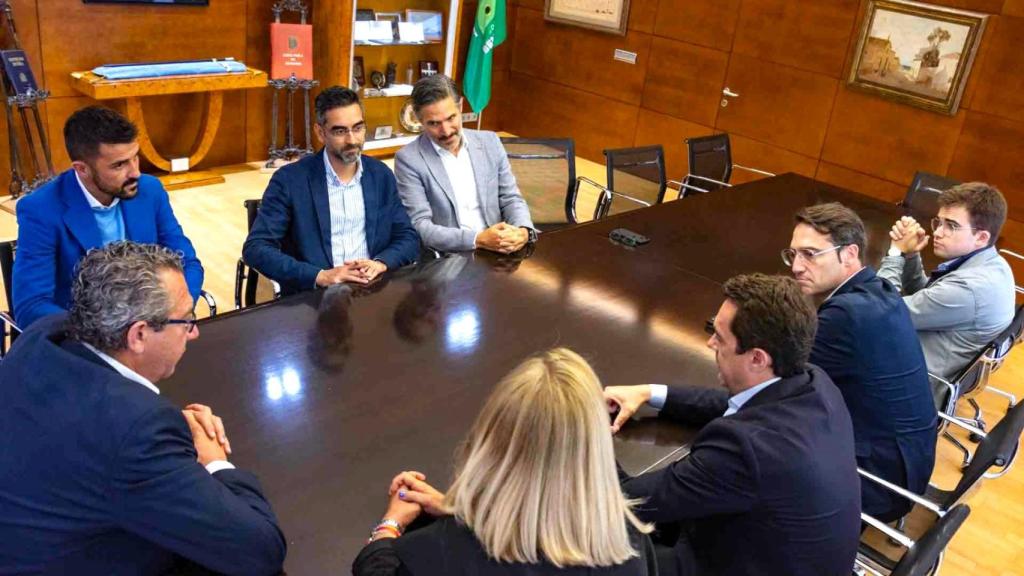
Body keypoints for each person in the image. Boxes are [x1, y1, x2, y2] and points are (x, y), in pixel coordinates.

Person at [0, 241, 286, 575]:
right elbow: (260, 550)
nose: (194, 333)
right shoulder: (136, 431)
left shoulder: (45, 336)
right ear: (138, 335)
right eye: (187, 321)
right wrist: (214, 461)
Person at [604, 274, 860, 576]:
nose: (710, 342)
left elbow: (627, 501)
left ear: (757, 359)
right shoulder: (813, 382)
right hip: (784, 554)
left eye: (720, 337)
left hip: (724, 560)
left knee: (585, 552)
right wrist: (649, 393)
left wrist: (581, 426)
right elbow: (732, 404)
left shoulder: (746, 450)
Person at [352, 348, 657, 575]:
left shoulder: (445, 550)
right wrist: (455, 509)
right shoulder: (628, 542)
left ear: (489, 439)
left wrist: (389, 525)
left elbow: (377, 570)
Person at [786, 203, 936, 522]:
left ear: (850, 253)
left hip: (875, 483)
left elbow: (782, 388)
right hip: (906, 465)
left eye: (810, 254)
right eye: (793, 254)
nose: (797, 267)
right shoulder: (878, 290)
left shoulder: (845, 315)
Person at [12, 106, 204, 328]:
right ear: (82, 169)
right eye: (119, 165)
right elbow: (31, 306)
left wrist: (171, 314)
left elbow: (187, 262)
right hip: (83, 340)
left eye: (135, 158)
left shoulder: (150, 191)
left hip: (152, 327)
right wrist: (108, 333)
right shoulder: (41, 210)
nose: (135, 173)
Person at [243, 86, 419, 296]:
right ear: (320, 132)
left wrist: (380, 263)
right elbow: (256, 249)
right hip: (313, 299)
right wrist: (321, 276)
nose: (352, 140)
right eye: (340, 131)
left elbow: (407, 236)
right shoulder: (290, 181)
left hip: (372, 293)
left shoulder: (380, 175)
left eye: (358, 128)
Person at [879, 182, 1015, 407]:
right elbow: (930, 299)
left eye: (951, 226)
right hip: (923, 362)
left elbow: (877, 311)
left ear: (981, 237)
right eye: (938, 222)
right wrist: (911, 256)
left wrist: (896, 252)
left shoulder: (969, 289)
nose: (938, 232)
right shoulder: (993, 264)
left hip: (907, 385)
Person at [394, 74, 536, 255]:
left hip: (500, 250)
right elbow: (420, 226)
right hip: (451, 256)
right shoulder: (409, 160)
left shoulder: (490, 141)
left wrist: (523, 231)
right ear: (420, 121)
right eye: (434, 124)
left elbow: (510, 198)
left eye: (451, 118)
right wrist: (478, 239)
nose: (445, 131)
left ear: (460, 106)